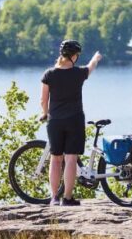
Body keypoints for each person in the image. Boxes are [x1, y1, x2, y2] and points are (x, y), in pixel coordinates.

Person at [40, 40, 102, 206]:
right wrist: (96, 58)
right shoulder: (78, 73)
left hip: (55, 122)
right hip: (74, 120)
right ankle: (67, 198)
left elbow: (43, 100)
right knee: (71, 159)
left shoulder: (49, 74)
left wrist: (45, 114)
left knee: (55, 160)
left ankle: (54, 198)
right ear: (74, 56)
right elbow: (91, 67)